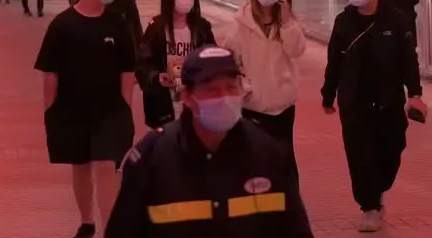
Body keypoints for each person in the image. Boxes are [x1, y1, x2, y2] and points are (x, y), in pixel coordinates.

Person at [106, 46, 313, 237]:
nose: (224, 98)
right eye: (212, 90)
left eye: (232, 88)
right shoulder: (152, 159)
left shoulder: (270, 154)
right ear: (187, 96)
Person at [35, 0, 138, 238]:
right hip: (72, 110)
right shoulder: (63, 25)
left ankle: (111, 229)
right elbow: (50, 72)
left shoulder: (117, 23)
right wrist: (50, 112)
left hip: (110, 111)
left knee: (106, 166)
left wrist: (125, 107)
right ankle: (87, 220)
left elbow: (128, 69)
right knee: (80, 166)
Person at [321, 0, 426, 233]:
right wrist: (327, 94)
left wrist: (414, 94)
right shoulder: (344, 23)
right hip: (354, 103)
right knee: (361, 157)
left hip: (388, 101)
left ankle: (377, 191)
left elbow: (408, 60)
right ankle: (369, 207)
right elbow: (334, 61)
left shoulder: (396, 19)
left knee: (391, 153)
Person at [222, 0, 307, 148]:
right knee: (255, 160)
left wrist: (286, 23)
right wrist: (245, 87)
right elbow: (229, 61)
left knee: (283, 162)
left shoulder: (286, 23)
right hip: (252, 106)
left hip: (282, 107)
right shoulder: (241, 24)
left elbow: (296, 51)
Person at [138, 0, 216, 129]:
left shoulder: (201, 28)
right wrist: (158, 77)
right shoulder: (156, 28)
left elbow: (213, 59)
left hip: (195, 100)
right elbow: (142, 64)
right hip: (164, 103)